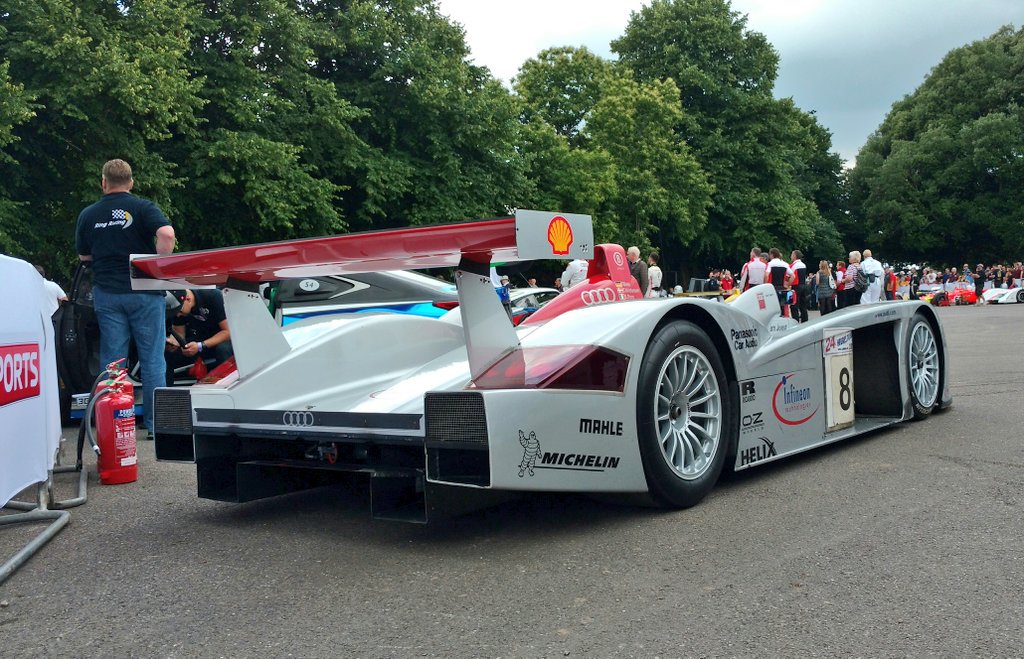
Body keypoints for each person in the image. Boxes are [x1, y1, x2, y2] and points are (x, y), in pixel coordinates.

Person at [76, 159, 175, 437]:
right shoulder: (143, 207)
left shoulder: (89, 214)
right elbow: (166, 234)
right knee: (153, 359)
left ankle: (114, 422)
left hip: (108, 293)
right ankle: (158, 426)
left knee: (113, 361)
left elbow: (85, 256)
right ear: (131, 182)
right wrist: (157, 263)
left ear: (104, 182)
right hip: (144, 290)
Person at [165, 289, 232, 385]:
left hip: (223, 338)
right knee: (168, 353)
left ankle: (227, 387)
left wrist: (201, 345)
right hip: (200, 339)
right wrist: (174, 343)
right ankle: (166, 391)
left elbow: (227, 332)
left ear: (188, 299)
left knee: (223, 350)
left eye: (179, 311)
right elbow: (179, 333)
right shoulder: (179, 307)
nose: (178, 315)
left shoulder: (212, 296)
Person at [765, 248, 794, 315]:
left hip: (773, 288)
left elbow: (766, 275)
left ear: (772, 255)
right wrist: (788, 285)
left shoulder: (770, 264)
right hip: (782, 288)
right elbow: (793, 276)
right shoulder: (785, 264)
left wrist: (765, 284)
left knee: (773, 307)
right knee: (783, 307)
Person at [789, 250, 809, 323]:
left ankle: (795, 321)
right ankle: (805, 320)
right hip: (803, 285)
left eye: (792, 255)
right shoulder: (803, 264)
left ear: (795, 256)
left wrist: (788, 284)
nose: (791, 256)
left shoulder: (793, 265)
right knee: (803, 305)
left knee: (794, 305)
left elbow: (790, 275)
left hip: (796, 286)